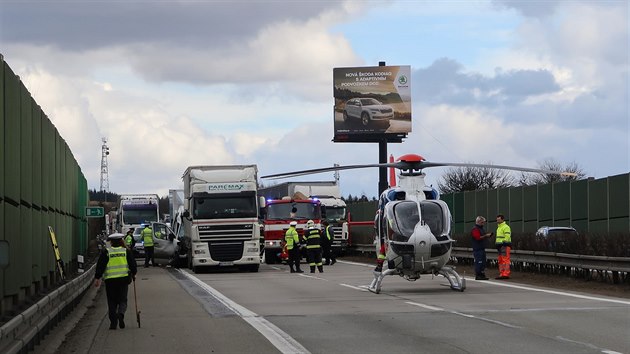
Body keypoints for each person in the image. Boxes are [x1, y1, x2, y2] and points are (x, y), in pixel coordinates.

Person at [93, 233, 137, 330]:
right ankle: (121, 313)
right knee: (123, 300)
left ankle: (113, 323)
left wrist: (98, 278)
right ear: (122, 241)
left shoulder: (107, 252)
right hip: (123, 279)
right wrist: (134, 273)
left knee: (112, 301)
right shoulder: (126, 251)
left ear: (111, 242)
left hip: (110, 280)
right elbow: (132, 264)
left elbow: (100, 266)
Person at [471, 216, 492, 280]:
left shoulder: (481, 229)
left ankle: (482, 274)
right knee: (479, 262)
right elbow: (477, 238)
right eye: (482, 222)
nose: (483, 223)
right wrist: (485, 236)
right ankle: (478, 275)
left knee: (483, 262)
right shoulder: (475, 229)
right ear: (478, 221)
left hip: (481, 248)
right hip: (477, 248)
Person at [495, 214, 512, 279]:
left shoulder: (505, 227)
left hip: (504, 245)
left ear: (502, 219)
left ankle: (505, 274)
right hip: (500, 246)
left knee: (505, 260)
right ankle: (502, 273)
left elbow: (507, 236)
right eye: (497, 220)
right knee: (501, 260)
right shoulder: (499, 227)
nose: (497, 221)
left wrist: (504, 242)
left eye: (499, 219)